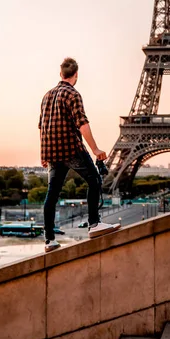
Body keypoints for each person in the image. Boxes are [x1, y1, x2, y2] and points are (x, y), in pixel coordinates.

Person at [39, 57, 120, 252]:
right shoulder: (73, 94)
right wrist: (95, 149)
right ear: (76, 75)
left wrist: (43, 154)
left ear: (60, 74)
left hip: (51, 152)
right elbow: (82, 123)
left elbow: (41, 126)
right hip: (71, 149)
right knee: (94, 181)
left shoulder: (47, 96)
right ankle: (94, 224)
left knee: (52, 194)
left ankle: (49, 240)